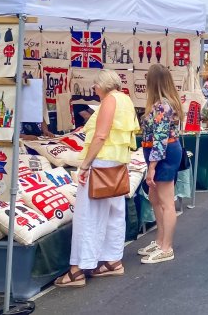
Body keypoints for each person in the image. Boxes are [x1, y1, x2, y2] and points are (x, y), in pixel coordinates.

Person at [55, 70, 139, 288]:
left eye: (95, 86)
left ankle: (78, 270)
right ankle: (112, 260)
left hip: (101, 163)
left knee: (88, 216)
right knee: (114, 212)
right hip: (118, 162)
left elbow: (101, 135)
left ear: (102, 85)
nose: (94, 89)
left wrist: (84, 165)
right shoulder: (125, 100)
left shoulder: (109, 100)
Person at [138, 64, 184, 264]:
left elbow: (159, 138)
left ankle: (166, 247)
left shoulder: (162, 106)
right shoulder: (163, 103)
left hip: (162, 154)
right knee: (156, 198)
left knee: (165, 201)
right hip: (162, 153)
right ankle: (160, 241)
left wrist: (152, 167)